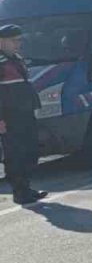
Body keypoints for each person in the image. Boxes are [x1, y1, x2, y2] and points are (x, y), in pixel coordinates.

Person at [0, 25, 47, 205]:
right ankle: (20, 191)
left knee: (30, 150)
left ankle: (26, 187)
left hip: (25, 113)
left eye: (19, 40)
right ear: (1, 41)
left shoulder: (16, 59)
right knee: (15, 154)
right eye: (14, 40)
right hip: (9, 116)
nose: (18, 44)